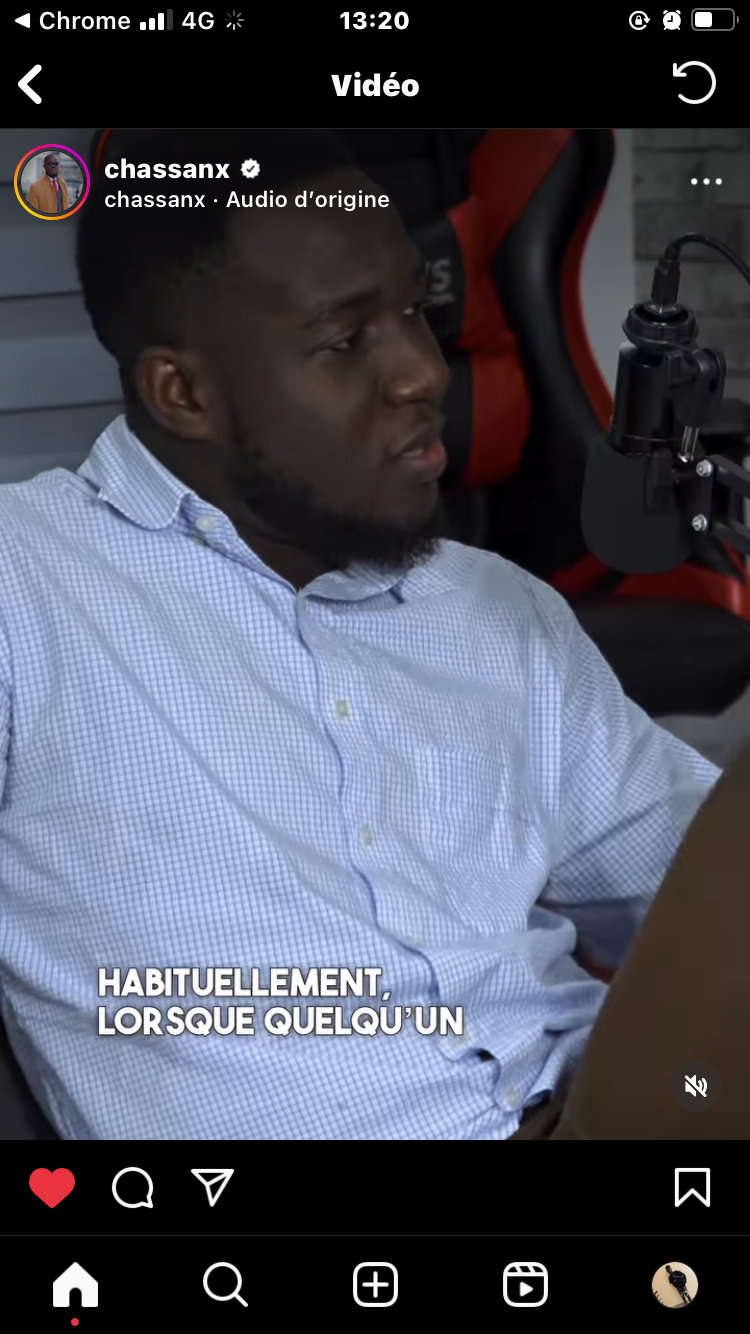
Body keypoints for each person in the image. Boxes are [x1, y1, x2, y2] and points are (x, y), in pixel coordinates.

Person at [0, 127, 725, 1140]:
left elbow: (702, 884)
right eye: (344, 342)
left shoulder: (494, 607)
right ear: (184, 393)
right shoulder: (29, 586)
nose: (423, 374)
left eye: (418, 314)